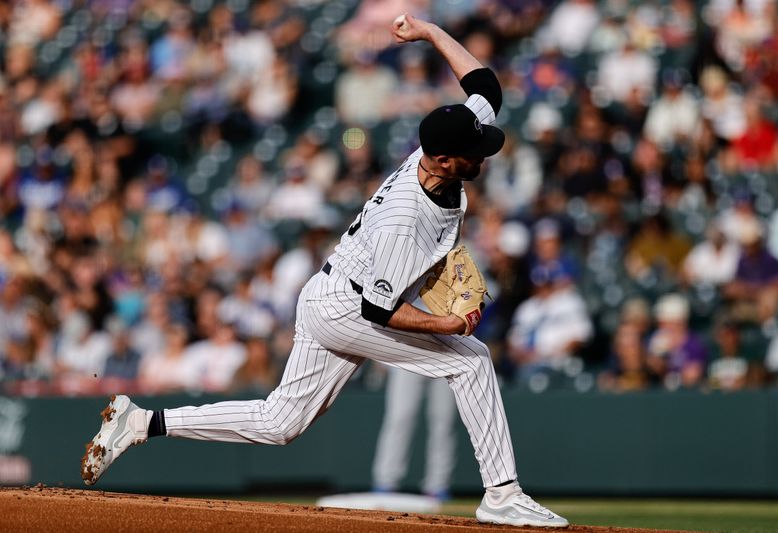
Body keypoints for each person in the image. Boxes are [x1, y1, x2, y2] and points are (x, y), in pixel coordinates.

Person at [79, 15, 569, 528]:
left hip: (331, 293)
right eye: (473, 154)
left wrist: (428, 32)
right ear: (444, 160)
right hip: (349, 306)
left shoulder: (433, 157)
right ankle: (502, 493)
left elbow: (485, 85)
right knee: (469, 360)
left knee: (280, 422)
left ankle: (141, 422)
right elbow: (378, 308)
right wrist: (446, 325)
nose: (483, 157)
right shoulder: (407, 217)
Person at [371, 369, 457, 501]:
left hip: (449, 357)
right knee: (400, 418)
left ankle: (439, 485)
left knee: (444, 422)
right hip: (408, 356)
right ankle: (386, 482)